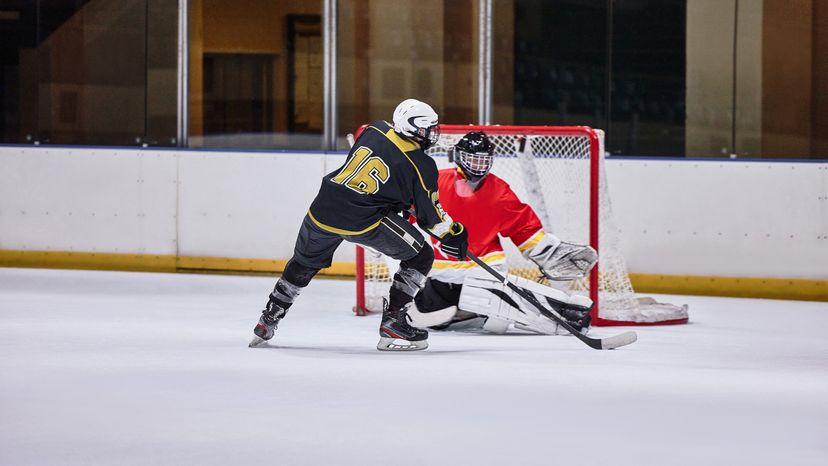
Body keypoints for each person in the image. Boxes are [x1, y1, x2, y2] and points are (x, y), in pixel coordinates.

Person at [249, 99, 468, 351]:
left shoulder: (374, 129)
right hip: (362, 220)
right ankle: (394, 322)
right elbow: (432, 218)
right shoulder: (422, 165)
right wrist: (456, 234)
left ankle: (268, 319)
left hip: (323, 208)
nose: (431, 134)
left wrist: (399, 200)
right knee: (421, 256)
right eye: (426, 128)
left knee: (303, 263)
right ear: (410, 128)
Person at [407, 131, 598, 335]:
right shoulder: (436, 182)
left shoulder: (499, 191)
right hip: (443, 272)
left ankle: (570, 313)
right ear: (460, 157)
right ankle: (471, 314)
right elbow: (406, 212)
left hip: (486, 270)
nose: (479, 166)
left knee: (504, 313)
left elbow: (521, 225)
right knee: (432, 318)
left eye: (484, 161)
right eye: (473, 160)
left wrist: (547, 251)